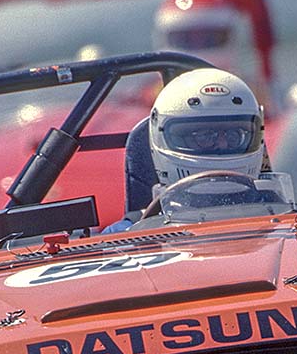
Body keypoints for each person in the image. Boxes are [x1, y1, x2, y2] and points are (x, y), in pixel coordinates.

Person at [105, 67, 269, 233]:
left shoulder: (283, 222)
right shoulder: (125, 234)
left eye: (234, 136)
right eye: (204, 136)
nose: (222, 145)